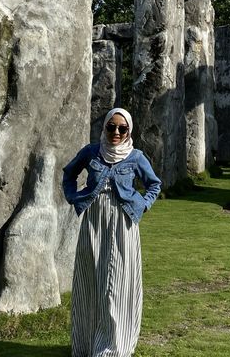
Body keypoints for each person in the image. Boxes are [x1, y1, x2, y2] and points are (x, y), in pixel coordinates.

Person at [62, 108, 161, 357]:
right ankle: (86, 344)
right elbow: (69, 173)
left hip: (123, 223)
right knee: (90, 280)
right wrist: (74, 197)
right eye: (111, 127)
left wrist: (143, 204)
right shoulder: (91, 152)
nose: (116, 132)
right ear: (104, 127)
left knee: (117, 283)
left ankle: (112, 346)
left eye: (122, 128)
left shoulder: (136, 157)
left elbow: (154, 184)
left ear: (128, 131)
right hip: (94, 222)